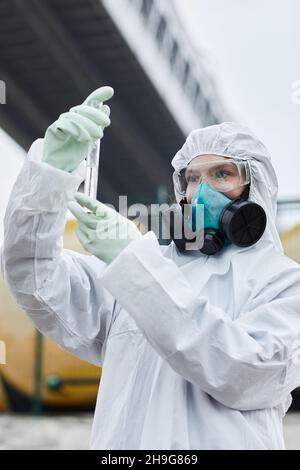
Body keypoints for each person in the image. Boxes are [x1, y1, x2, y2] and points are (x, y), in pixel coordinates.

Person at [2, 87, 300, 450]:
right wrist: (50, 174)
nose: (200, 192)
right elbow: (34, 278)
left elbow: (243, 374)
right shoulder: (142, 270)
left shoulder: (283, 283)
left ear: (255, 190)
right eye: (192, 178)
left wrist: (132, 260)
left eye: (222, 174)